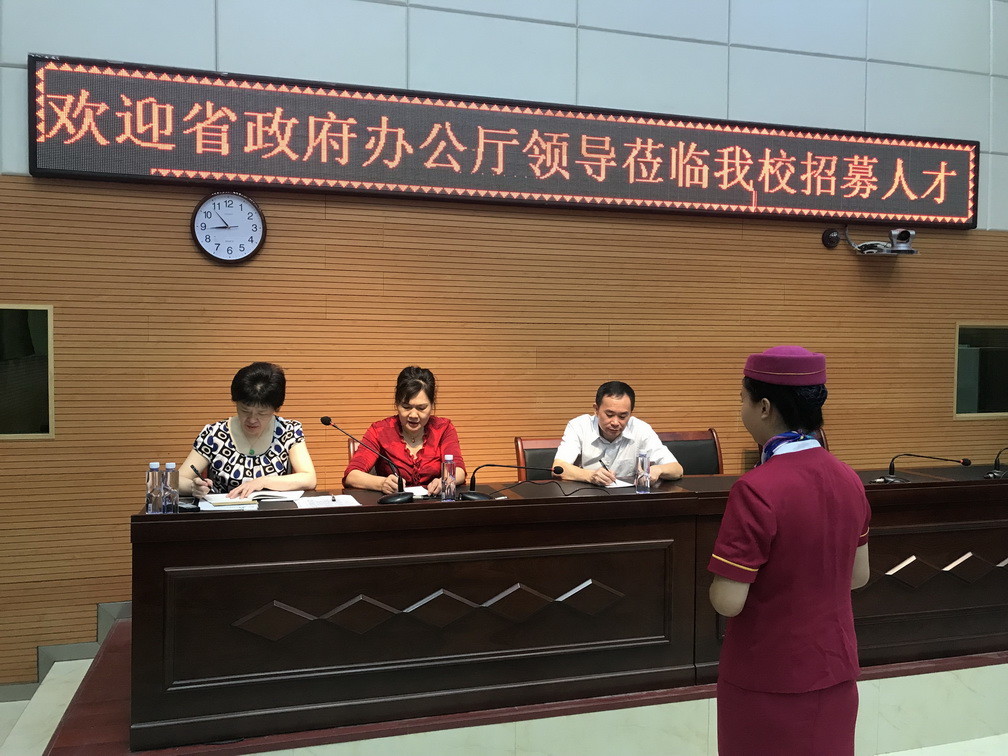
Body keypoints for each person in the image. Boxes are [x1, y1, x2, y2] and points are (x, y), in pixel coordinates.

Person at [708, 345, 871, 756]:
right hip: (835, 667)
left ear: (764, 407)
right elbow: (858, 576)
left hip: (768, 674)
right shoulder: (849, 478)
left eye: (742, 400)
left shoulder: (755, 489)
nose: (741, 409)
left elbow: (728, 600)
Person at [180, 362, 317, 499]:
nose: (252, 420)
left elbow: (309, 479)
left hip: (273, 510)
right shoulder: (214, 434)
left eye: (262, 413)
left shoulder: (288, 431)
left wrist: (264, 481)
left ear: (276, 409)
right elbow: (178, 480)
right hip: (225, 509)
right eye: (245, 410)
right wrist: (193, 487)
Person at [343, 366, 466, 496]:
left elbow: (459, 471)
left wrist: (444, 481)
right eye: (406, 407)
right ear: (397, 404)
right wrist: (381, 483)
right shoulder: (380, 430)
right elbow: (352, 475)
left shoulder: (443, 428)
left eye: (421, 408)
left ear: (432, 405)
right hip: (393, 504)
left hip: (434, 502)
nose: (413, 415)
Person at [552, 380, 683, 485]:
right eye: (609, 415)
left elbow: (677, 469)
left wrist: (657, 469)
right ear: (596, 409)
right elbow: (558, 468)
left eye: (623, 416)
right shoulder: (579, 426)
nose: (615, 422)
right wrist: (590, 475)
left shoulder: (641, 429)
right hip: (587, 498)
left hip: (628, 500)